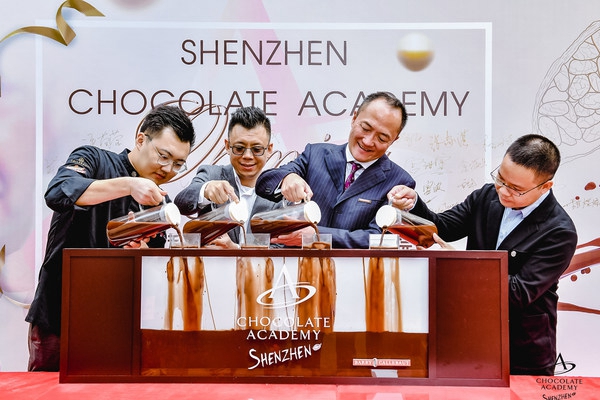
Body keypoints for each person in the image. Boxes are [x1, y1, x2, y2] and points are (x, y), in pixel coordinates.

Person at [387, 134, 577, 376]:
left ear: (545, 187)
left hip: (523, 349)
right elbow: (442, 227)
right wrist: (414, 203)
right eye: (501, 178)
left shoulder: (559, 231)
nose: (503, 191)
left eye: (516, 189)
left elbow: (517, 293)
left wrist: (461, 264)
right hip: (469, 336)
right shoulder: (487, 196)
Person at [25, 105, 196, 371]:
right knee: (45, 388)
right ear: (141, 139)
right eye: (163, 156)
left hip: (119, 324)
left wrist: (142, 250)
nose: (168, 169)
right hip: (61, 313)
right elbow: (58, 191)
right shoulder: (93, 159)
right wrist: (129, 184)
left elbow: (156, 272)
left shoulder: (161, 204)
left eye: (178, 164)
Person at [255, 91, 415, 249]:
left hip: (355, 266)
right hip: (294, 264)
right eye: (365, 128)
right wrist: (287, 178)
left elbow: (379, 239)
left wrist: (318, 236)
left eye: (382, 138)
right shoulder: (315, 154)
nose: (368, 141)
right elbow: (264, 183)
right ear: (354, 118)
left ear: (394, 139)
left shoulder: (400, 182)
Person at [174, 106, 280, 248]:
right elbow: (181, 204)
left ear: (269, 149)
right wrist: (206, 190)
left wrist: (236, 250)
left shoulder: (281, 191)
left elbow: (282, 247)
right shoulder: (212, 175)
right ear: (227, 146)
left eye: (257, 149)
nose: (247, 156)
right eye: (239, 148)